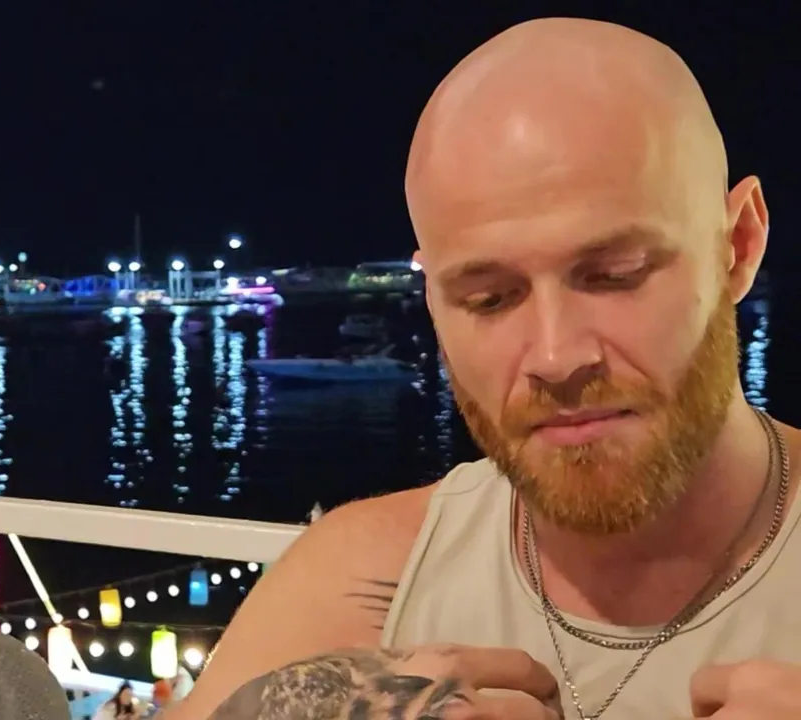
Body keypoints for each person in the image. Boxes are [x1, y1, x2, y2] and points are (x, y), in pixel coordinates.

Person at [168, 17, 801, 720]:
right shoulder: (355, 576)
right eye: (490, 299)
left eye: (616, 274)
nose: (555, 357)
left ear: (739, 245)